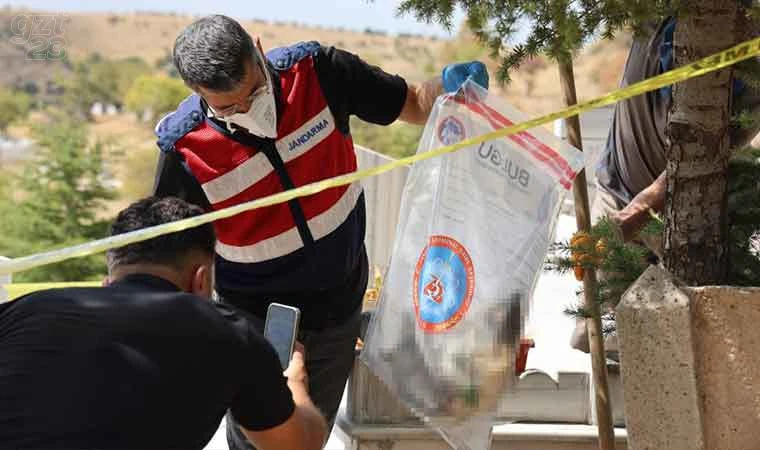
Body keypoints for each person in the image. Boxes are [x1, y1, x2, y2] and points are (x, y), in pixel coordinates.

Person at [151, 14, 488, 448]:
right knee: (261, 442)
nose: (250, 109)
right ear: (197, 93)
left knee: (308, 438)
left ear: (258, 47)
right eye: (230, 107)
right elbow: (170, 260)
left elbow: (414, 103)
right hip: (255, 320)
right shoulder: (185, 150)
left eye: (254, 90)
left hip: (337, 306)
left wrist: (449, 87)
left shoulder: (319, 73)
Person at [0, 196, 327, 450]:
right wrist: (295, 385)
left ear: (107, 282)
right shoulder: (228, 332)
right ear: (201, 280)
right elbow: (298, 443)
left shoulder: (20, 313)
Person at [570, 16, 760, 353]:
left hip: (679, 218)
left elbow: (705, 153)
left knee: (682, 358)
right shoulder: (655, 11)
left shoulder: (745, 46)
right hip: (616, 189)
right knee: (597, 341)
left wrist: (638, 210)